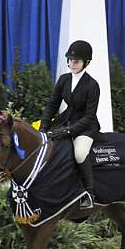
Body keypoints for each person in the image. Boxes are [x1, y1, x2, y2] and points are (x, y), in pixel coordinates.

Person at [40, 40, 100, 209]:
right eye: (70, 60)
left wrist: (68, 131)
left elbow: (89, 116)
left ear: (86, 63)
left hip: (85, 126)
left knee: (79, 153)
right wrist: (44, 127)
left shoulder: (92, 85)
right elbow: (52, 104)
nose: (72, 64)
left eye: (76, 61)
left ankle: (89, 193)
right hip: (66, 120)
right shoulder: (64, 79)